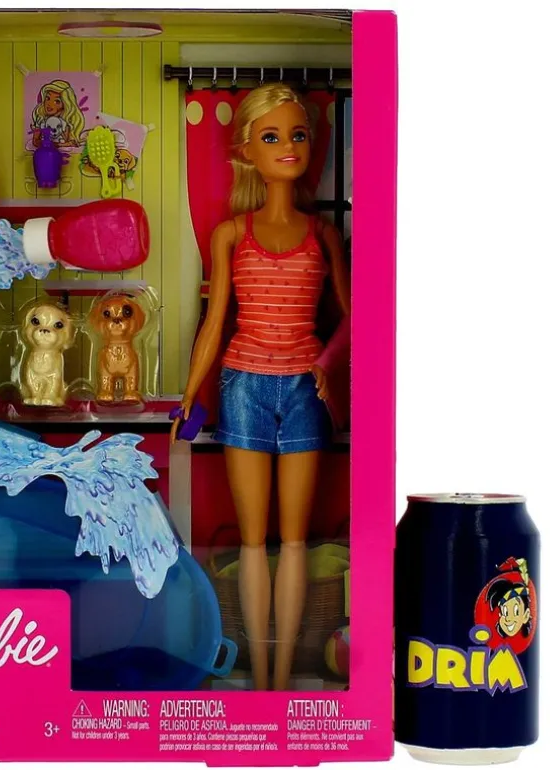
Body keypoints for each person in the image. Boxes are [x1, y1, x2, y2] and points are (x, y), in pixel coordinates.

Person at [171, 84, 350, 690]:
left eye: (298, 134)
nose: (288, 147)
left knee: (294, 542)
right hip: (244, 383)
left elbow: (354, 316)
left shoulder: (322, 234)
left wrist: (327, 360)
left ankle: (281, 676)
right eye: (271, 136)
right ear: (247, 150)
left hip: (304, 388)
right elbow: (215, 322)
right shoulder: (230, 233)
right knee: (253, 543)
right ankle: (259, 676)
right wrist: (189, 394)